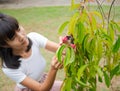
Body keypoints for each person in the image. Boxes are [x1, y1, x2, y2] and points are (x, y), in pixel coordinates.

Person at [0, 13, 64, 91]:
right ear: (5, 45)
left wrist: (66, 44)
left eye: (19, 29)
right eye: (13, 38)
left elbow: (61, 50)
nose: (21, 37)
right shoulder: (8, 68)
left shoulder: (34, 38)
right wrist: (53, 69)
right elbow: (41, 89)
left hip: (43, 80)